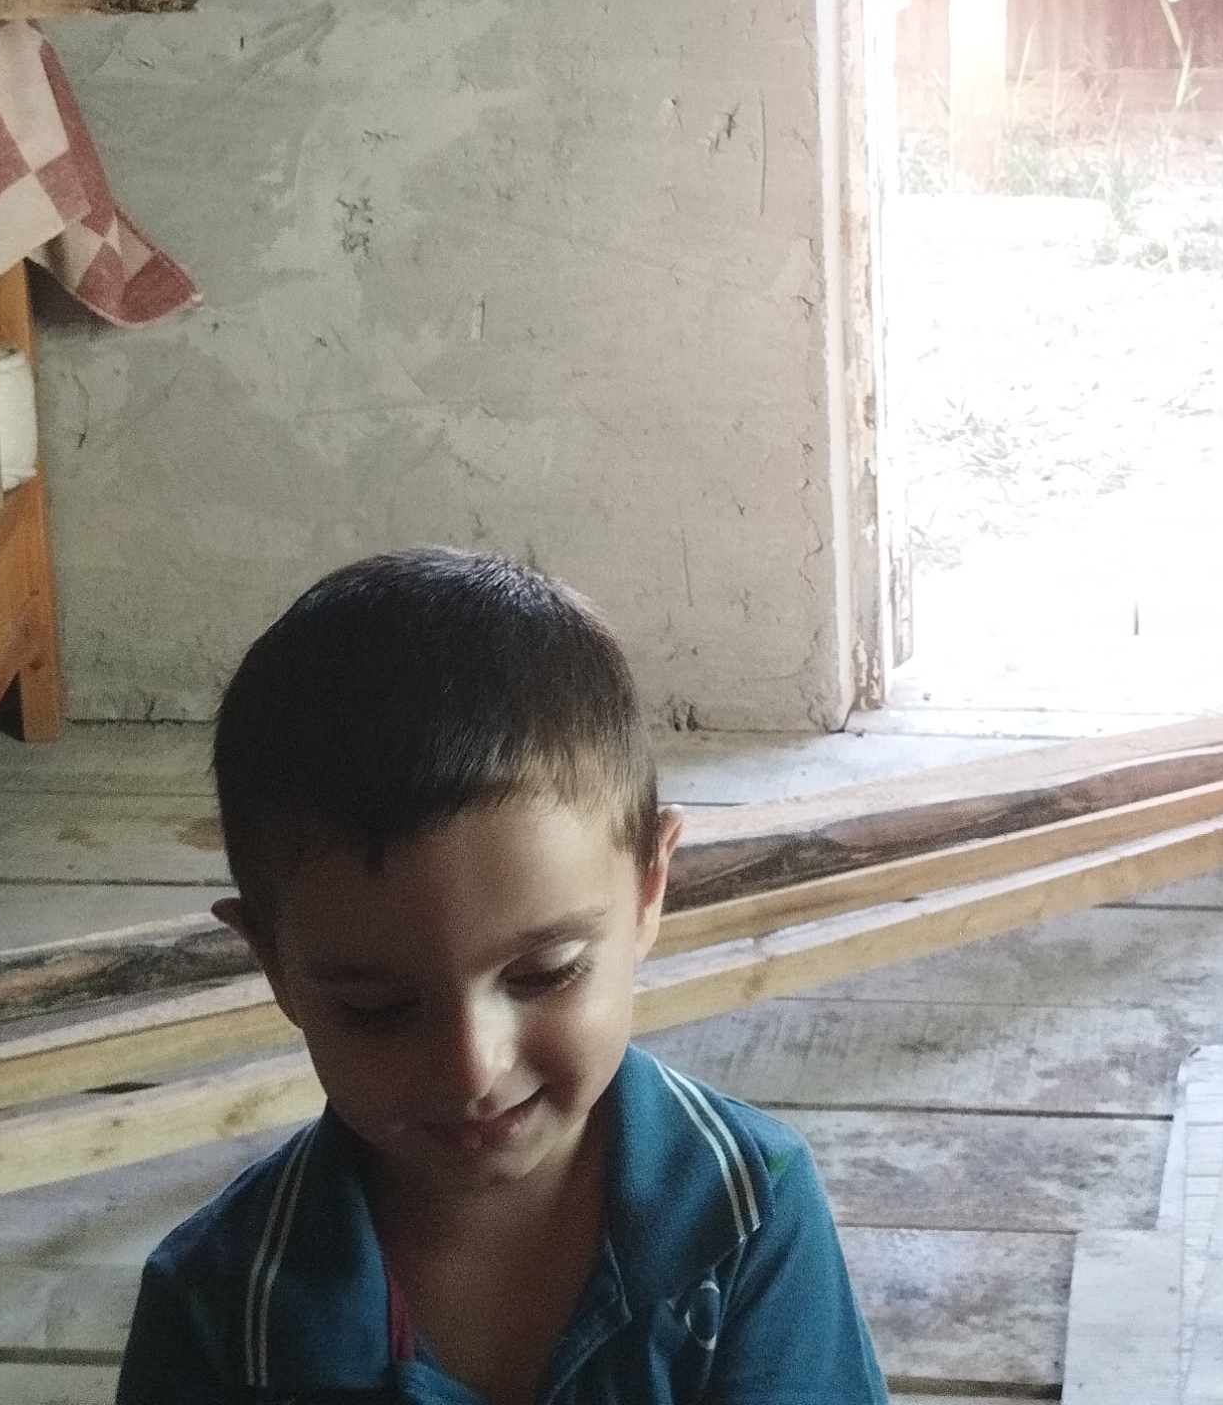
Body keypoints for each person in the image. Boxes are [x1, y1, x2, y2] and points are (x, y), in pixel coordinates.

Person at [117, 548, 890, 1403]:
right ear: (272, 963)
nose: (471, 1068)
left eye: (545, 974)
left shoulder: (745, 1219)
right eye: (379, 1007)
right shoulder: (219, 1312)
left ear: (648, 890)